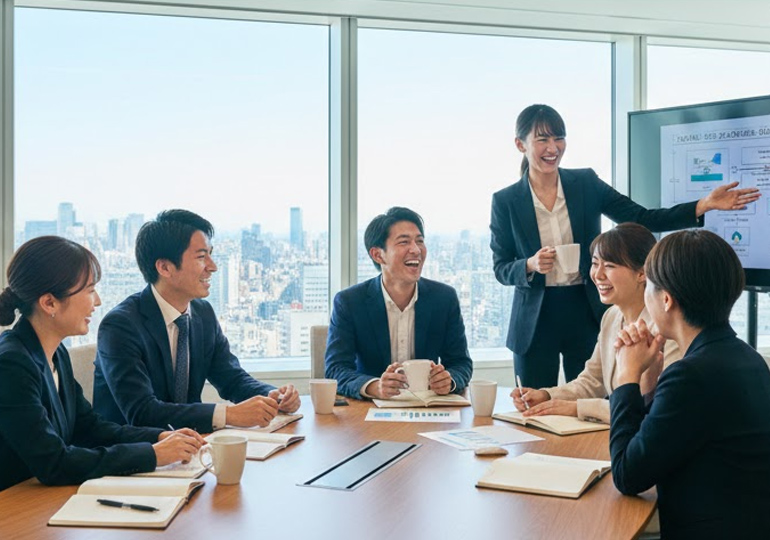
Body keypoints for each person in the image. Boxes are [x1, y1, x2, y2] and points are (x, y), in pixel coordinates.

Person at [490, 103, 761, 388]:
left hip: (585, 308)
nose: (553, 147)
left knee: (593, 393)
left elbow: (641, 217)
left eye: (559, 138)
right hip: (535, 319)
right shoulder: (506, 201)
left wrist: (702, 205)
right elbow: (501, 267)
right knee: (536, 404)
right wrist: (530, 265)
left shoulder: (585, 183)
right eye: (542, 139)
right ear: (521, 144)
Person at [0, 236, 205, 491]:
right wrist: (153, 455)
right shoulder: (11, 365)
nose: (97, 301)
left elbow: (89, 427)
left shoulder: (55, 353)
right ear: (49, 302)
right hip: (15, 509)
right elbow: (54, 463)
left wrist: (160, 437)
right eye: (89, 290)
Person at [610, 229, 770, 537]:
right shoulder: (747, 358)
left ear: (666, 299)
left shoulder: (691, 376)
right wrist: (649, 384)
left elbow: (627, 476)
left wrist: (626, 377)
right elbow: (662, 441)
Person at [93, 210, 300, 433]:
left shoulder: (202, 313)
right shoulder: (120, 326)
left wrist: (273, 396)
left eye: (210, 255)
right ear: (164, 267)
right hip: (137, 455)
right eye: (201, 257)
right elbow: (142, 412)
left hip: (192, 447)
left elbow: (231, 378)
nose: (213, 266)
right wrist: (229, 414)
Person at [511, 223, 680, 424]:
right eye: (595, 263)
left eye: (609, 266)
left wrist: (576, 408)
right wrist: (547, 396)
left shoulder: (664, 326)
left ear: (642, 273)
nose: (598, 275)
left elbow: (658, 408)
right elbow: (592, 381)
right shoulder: (611, 317)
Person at [325, 207, 473, 399]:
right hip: (369, 414)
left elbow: (461, 363)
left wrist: (449, 380)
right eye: (404, 242)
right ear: (378, 255)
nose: (416, 250)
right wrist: (374, 387)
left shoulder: (444, 298)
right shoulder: (350, 302)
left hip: (430, 411)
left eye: (420, 241)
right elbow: (335, 369)